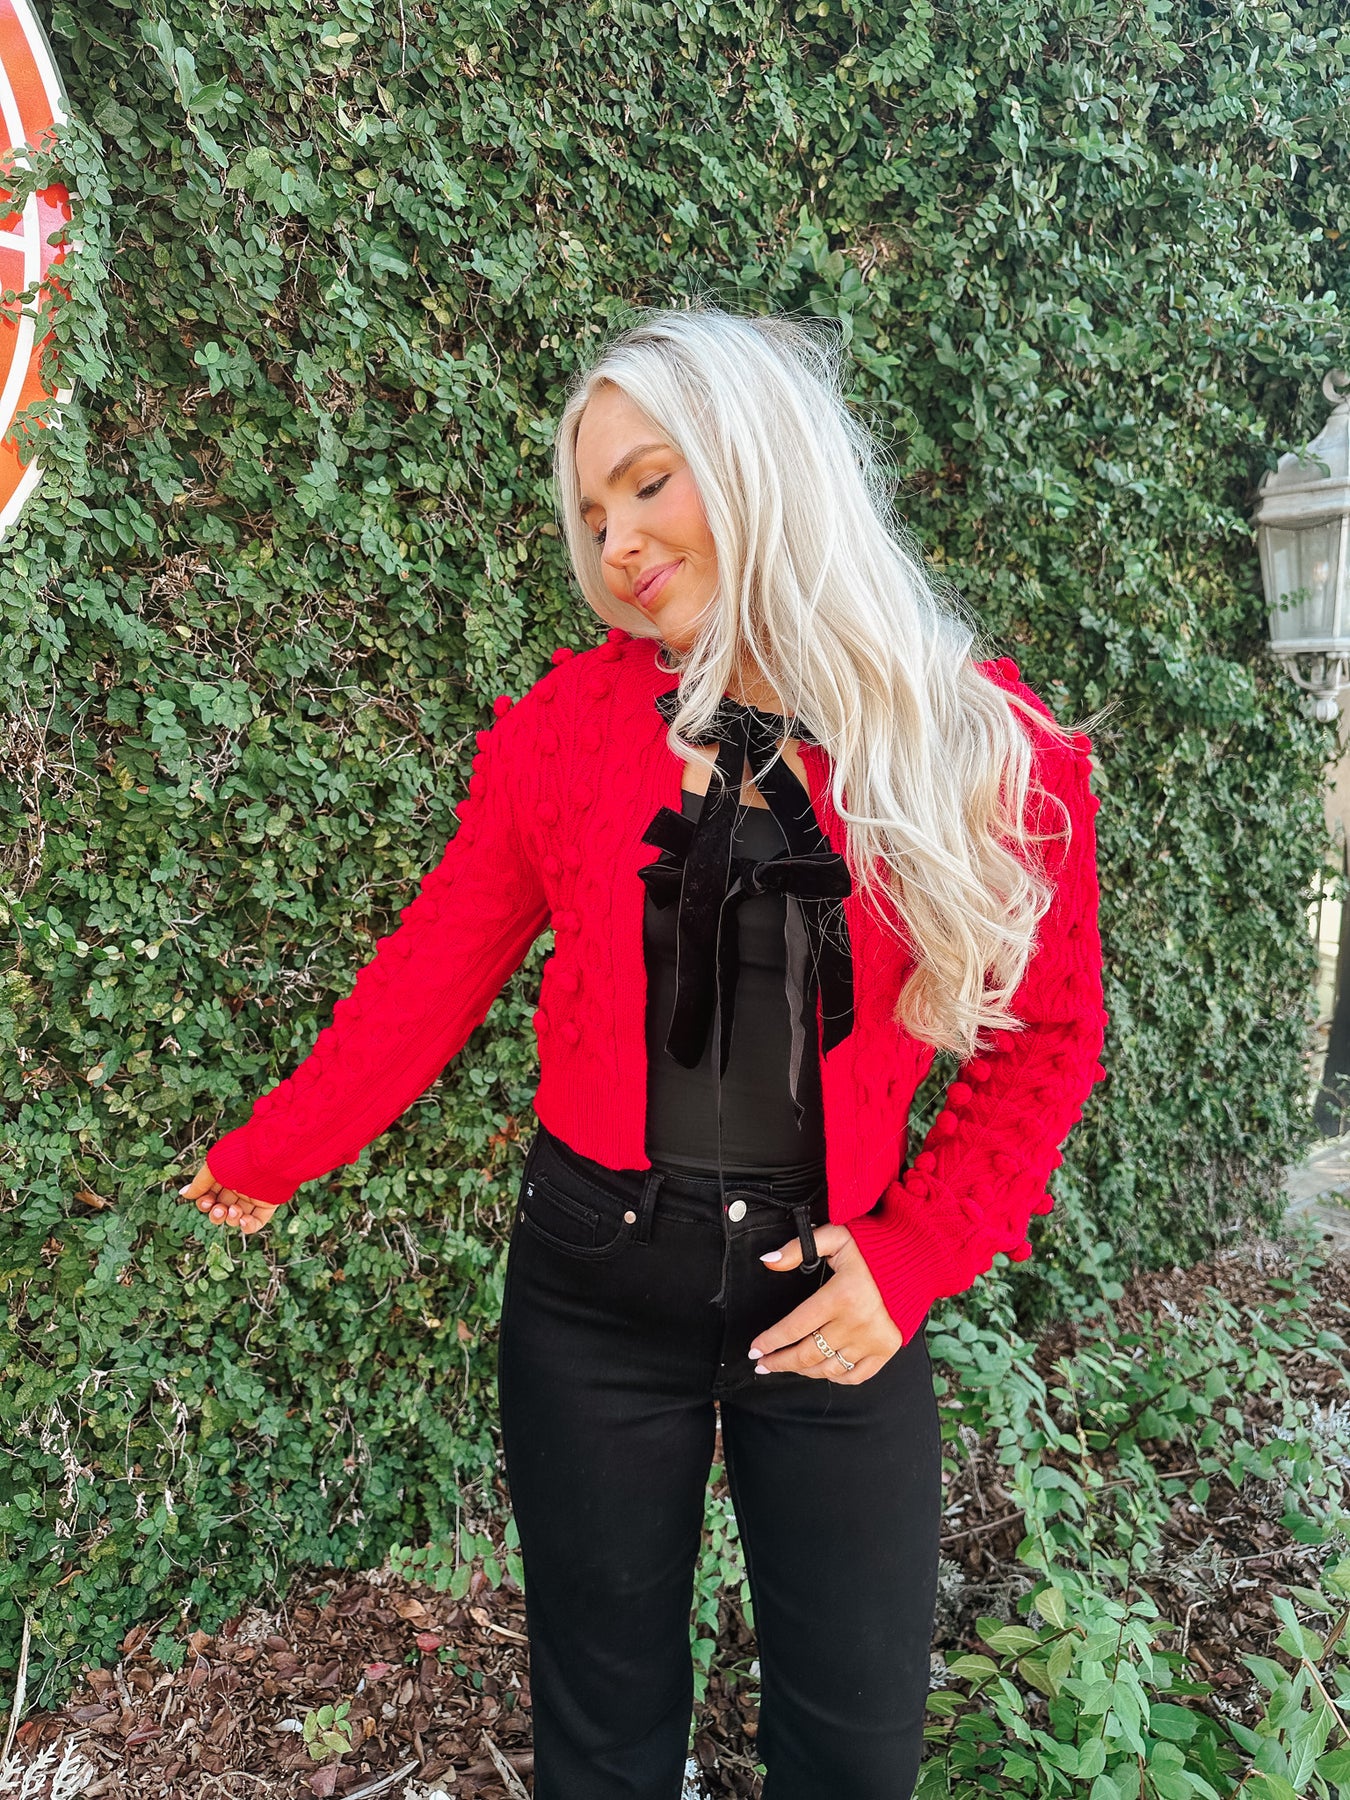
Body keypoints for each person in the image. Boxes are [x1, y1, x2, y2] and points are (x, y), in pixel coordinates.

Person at [181, 306, 1107, 1800]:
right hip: (594, 1292)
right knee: (600, 1740)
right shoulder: (565, 733)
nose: (615, 540)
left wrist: (917, 1253)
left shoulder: (978, 744)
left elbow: (1048, 1034)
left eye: (648, 482)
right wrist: (278, 1150)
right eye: (592, 511)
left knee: (855, 1749)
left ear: (758, 461)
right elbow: (433, 968)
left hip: (832, 1296)